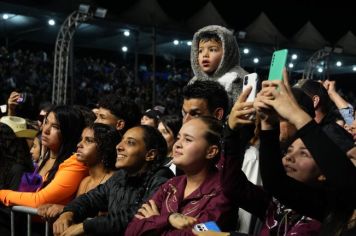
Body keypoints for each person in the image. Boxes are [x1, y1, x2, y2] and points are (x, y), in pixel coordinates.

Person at [125, 116, 265, 235]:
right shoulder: (170, 185)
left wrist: (155, 221)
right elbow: (131, 230)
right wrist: (169, 219)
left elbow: (203, 233)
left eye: (188, 139)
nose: (178, 144)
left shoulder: (224, 193)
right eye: (178, 137)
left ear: (211, 151)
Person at [256, 75, 356, 235]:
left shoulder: (331, 133)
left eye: (351, 160)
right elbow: (275, 183)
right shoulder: (334, 209)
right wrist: (268, 124)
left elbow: (349, 182)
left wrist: (297, 115)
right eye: (348, 159)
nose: (350, 154)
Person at [52, 125, 174, 236]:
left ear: (150, 155)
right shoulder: (121, 176)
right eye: (122, 140)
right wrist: (68, 213)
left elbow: (136, 215)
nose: (119, 146)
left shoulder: (162, 178)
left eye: (130, 142)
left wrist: (86, 226)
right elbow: (91, 198)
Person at [0, 106, 88, 207]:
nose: (45, 130)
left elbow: (38, 200)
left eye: (55, 127)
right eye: (46, 122)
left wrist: (2, 194)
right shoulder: (45, 157)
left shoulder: (75, 164)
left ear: (69, 132)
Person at [37, 123, 120, 220]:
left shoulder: (115, 180)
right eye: (81, 139)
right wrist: (52, 208)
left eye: (88, 141)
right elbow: (78, 212)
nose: (79, 144)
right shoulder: (84, 181)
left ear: (105, 148)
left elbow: (110, 221)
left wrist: (64, 209)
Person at [189, 25, 248, 104]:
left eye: (212, 50)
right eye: (200, 51)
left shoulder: (237, 79)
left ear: (227, 53)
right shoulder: (195, 81)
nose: (205, 54)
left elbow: (243, 112)